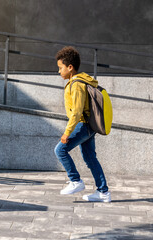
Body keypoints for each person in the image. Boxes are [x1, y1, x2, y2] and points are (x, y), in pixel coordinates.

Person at [54, 46, 111, 202]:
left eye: (60, 68)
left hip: (83, 125)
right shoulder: (78, 81)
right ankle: (103, 192)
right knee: (90, 158)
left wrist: (67, 132)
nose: (59, 71)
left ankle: (75, 181)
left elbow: (77, 112)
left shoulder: (77, 84)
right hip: (88, 126)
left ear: (70, 67)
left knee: (60, 150)